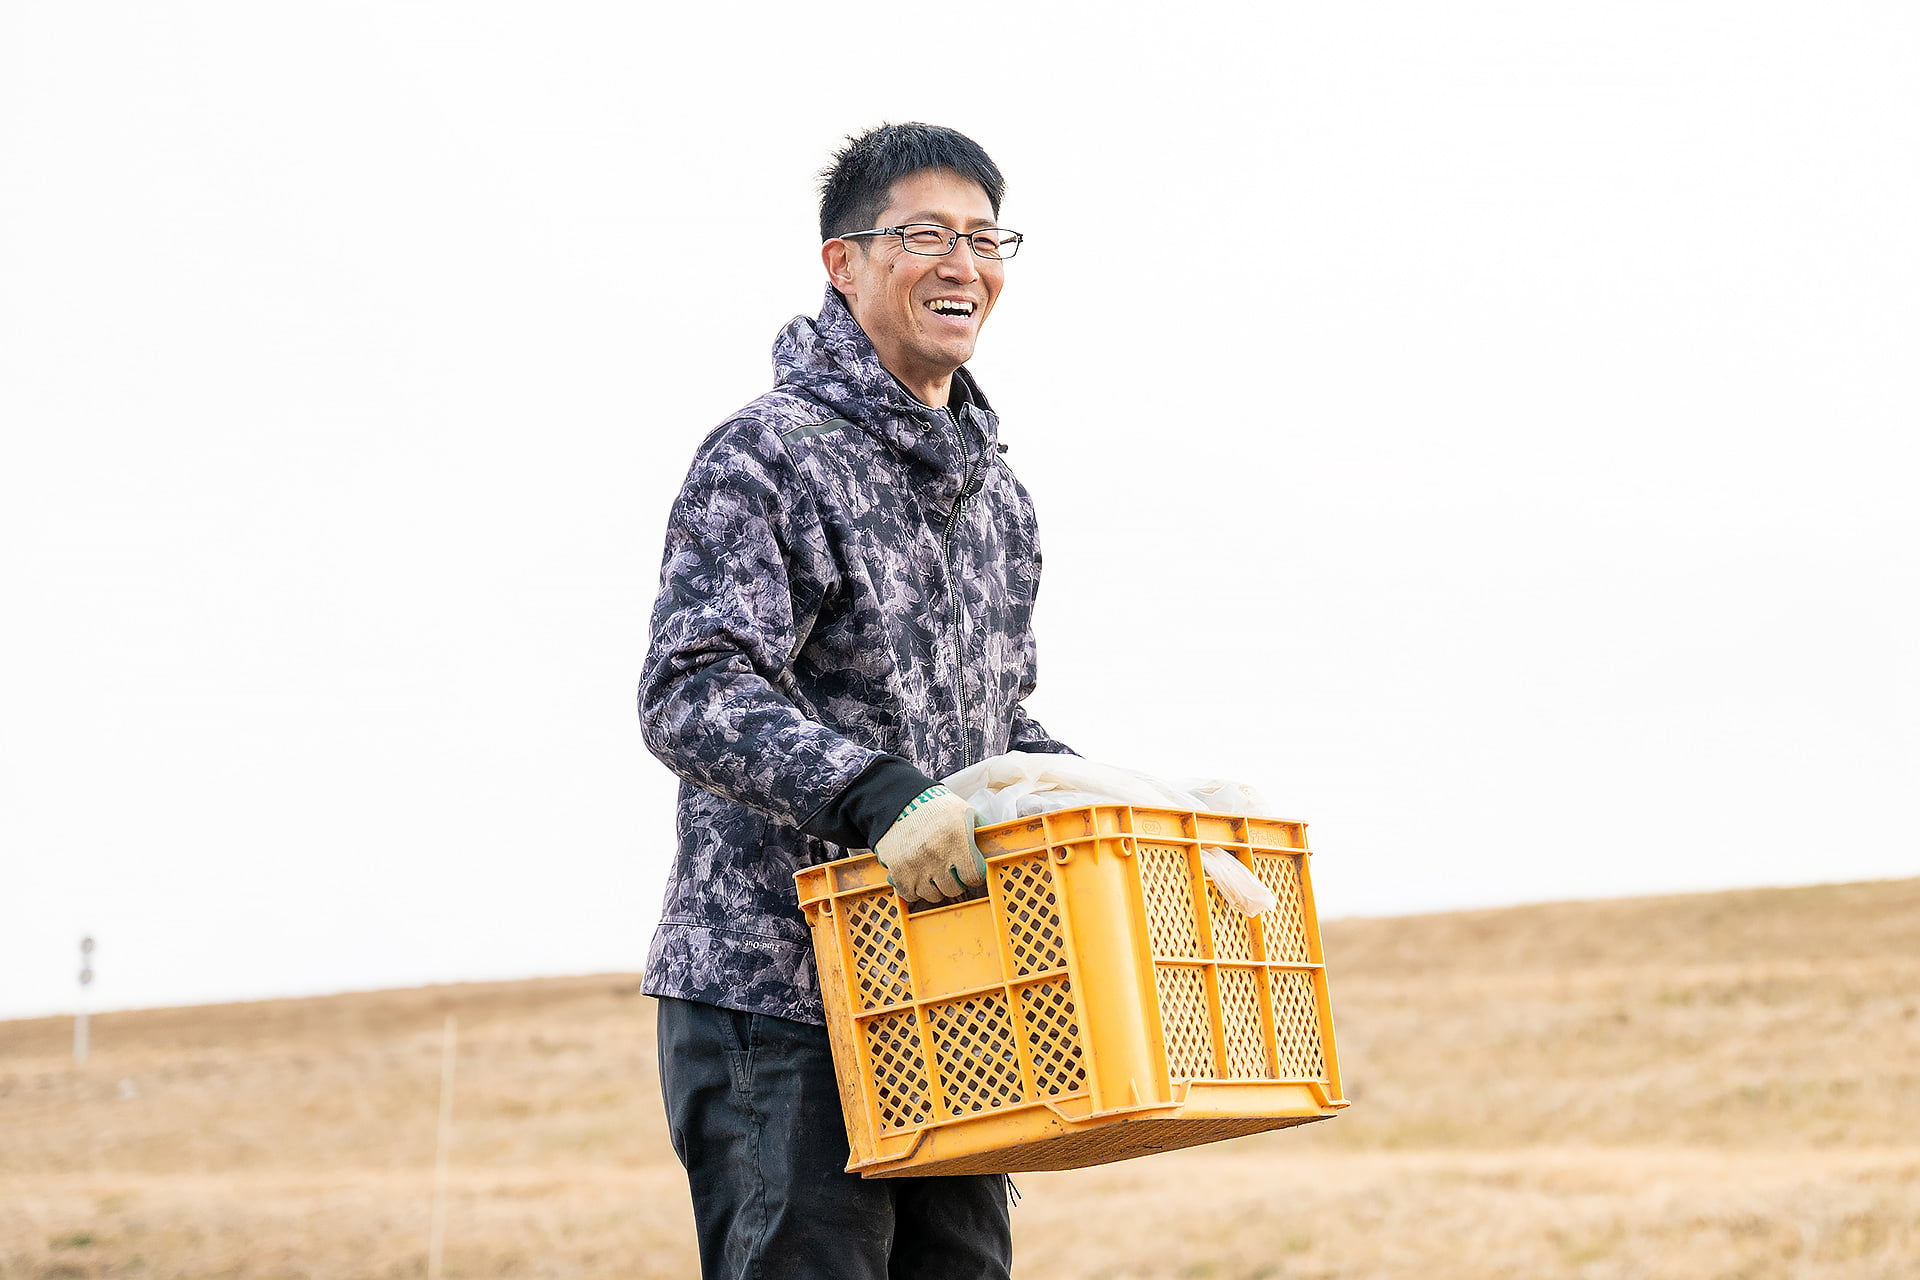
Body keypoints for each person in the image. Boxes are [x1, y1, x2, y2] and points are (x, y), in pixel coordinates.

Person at [637, 122, 1074, 1278]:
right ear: (844, 260)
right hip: (780, 1002)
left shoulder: (1001, 498)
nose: (963, 263)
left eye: (986, 239)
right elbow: (693, 685)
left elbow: (994, 725)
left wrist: (1099, 797)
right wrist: (880, 796)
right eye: (926, 233)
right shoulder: (766, 454)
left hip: (951, 989)